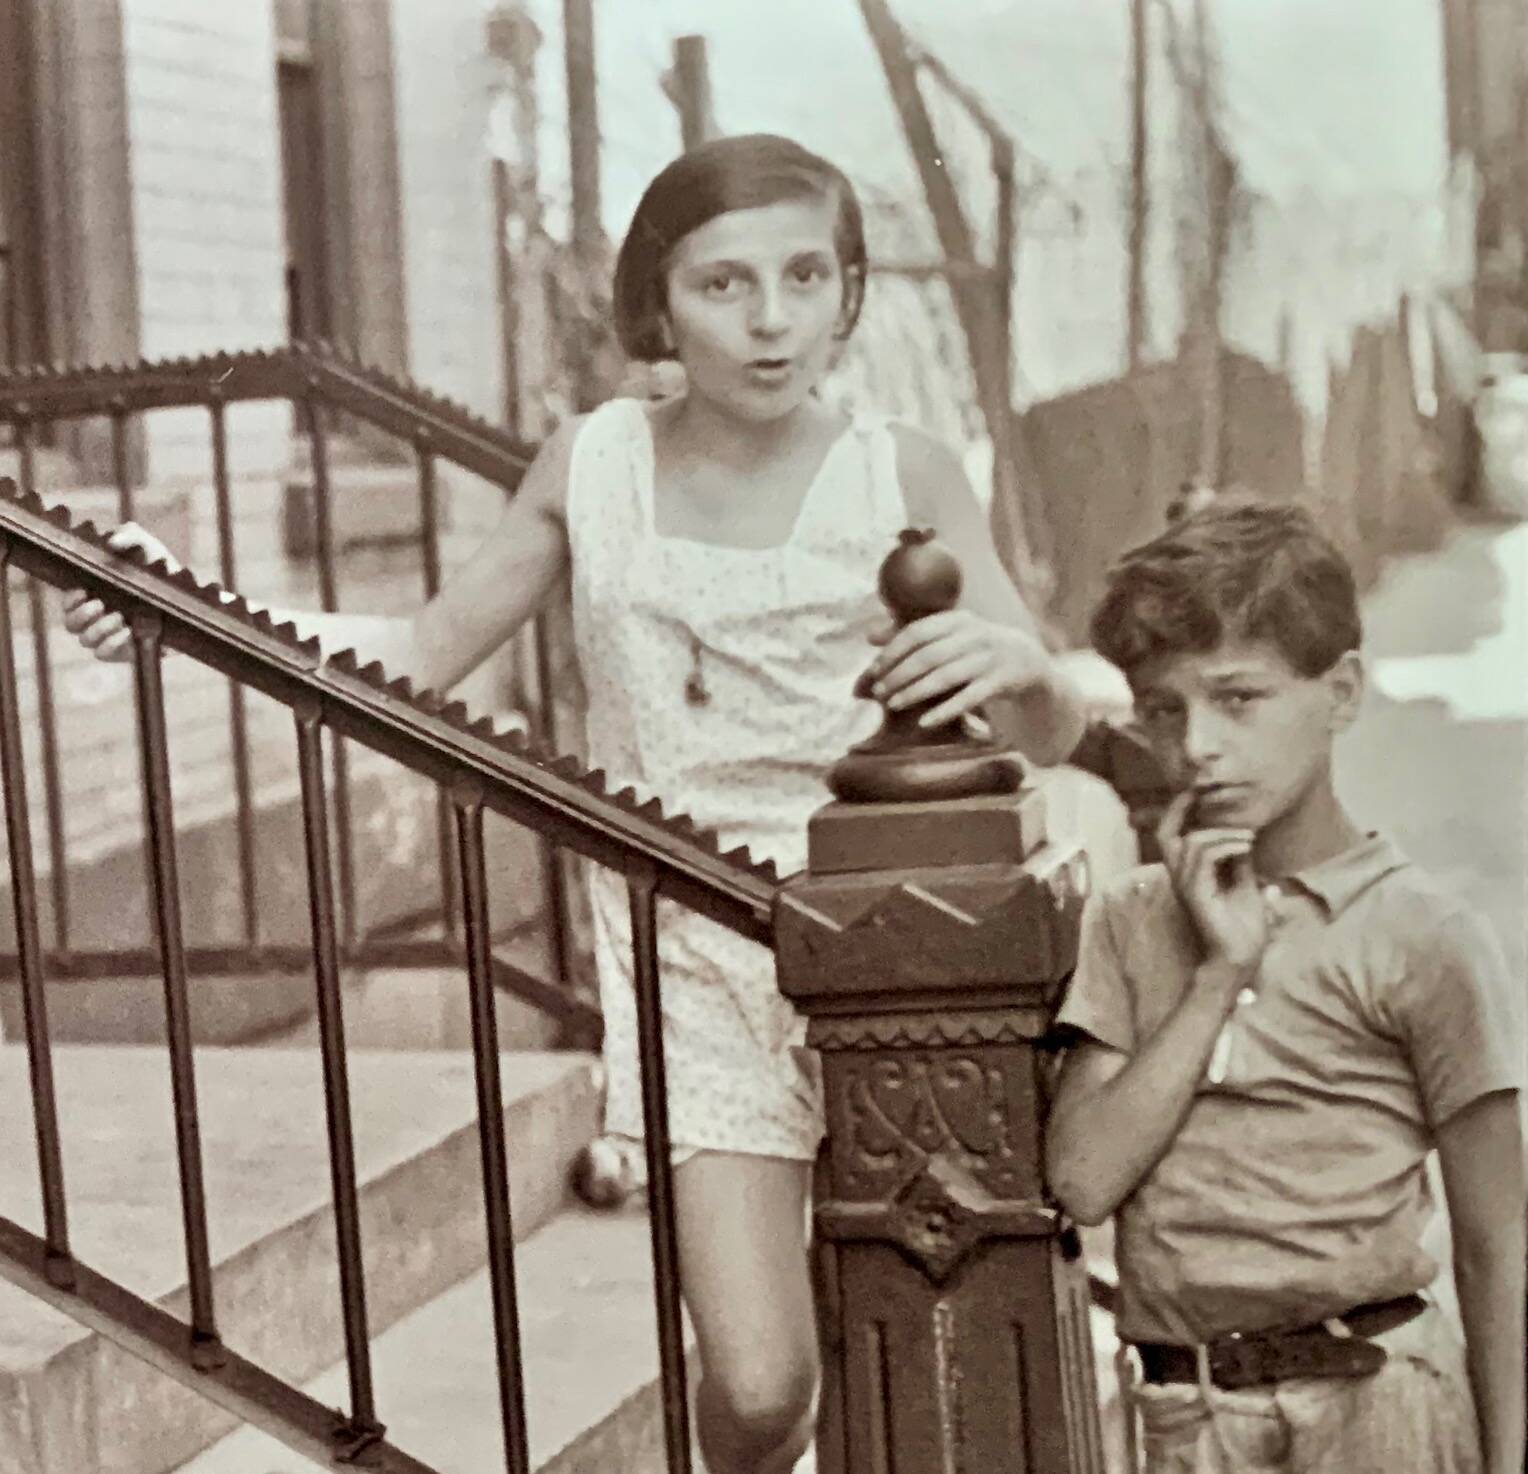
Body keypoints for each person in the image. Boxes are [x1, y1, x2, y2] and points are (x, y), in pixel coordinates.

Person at [64, 133, 1086, 1474]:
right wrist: (181, 599)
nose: (771, 319)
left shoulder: (905, 471)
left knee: (917, 1330)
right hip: (696, 951)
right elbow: (419, 654)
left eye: (805, 276)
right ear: (658, 304)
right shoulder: (592, 466)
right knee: (768, 1381)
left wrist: (1025, 666)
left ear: (847, 292)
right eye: (724, 284)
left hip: (898, 950)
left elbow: (1056, 720)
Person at [1045, 496, 1525, 1474]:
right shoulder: (1133, 920)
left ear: (1340, 692)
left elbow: (1495, 1236)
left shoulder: (1420, 932)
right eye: (1163, 710)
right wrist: (1218, 972)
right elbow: (1084, 1180)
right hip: (1191, 1416)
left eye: (1239, 699)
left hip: (1377, 1405)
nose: (1199, 747)